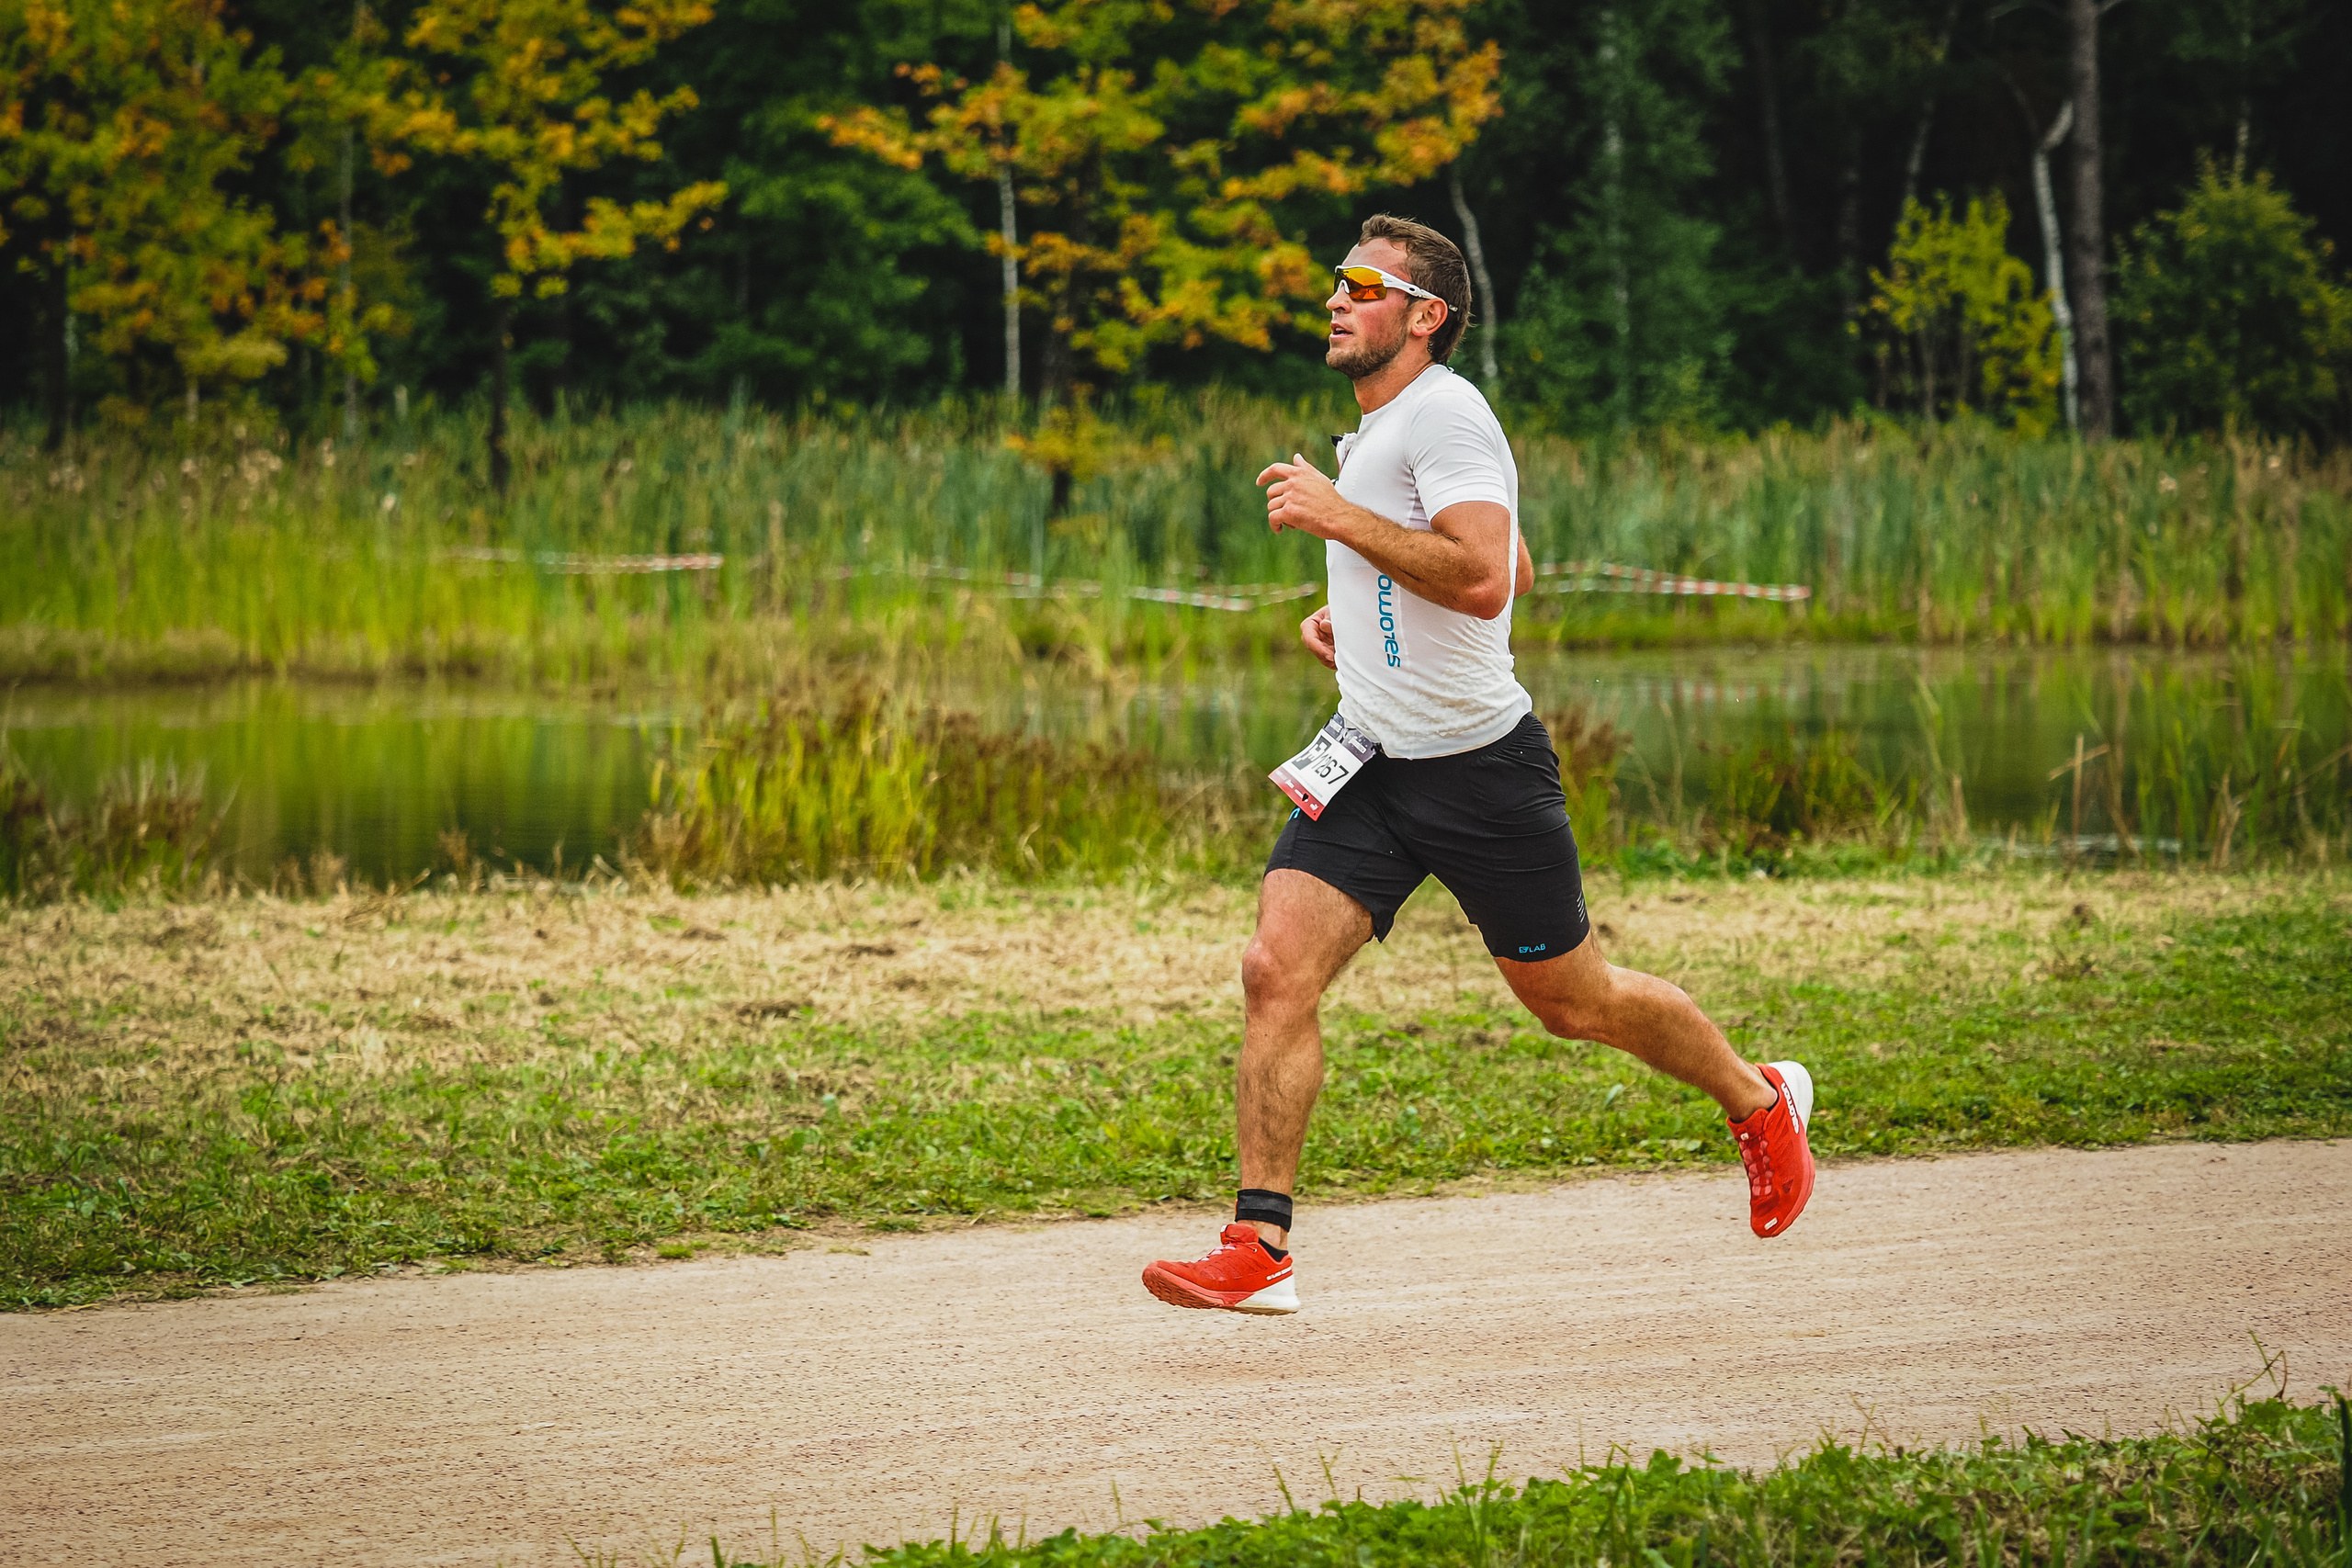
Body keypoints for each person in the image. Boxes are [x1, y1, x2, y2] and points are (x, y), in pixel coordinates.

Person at [1140, 214, 1816, 1317]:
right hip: (1373, 764)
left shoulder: (1446, 411)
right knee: (1274, 970)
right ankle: (1259, 1245)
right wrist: (1363, 615)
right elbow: (1512, 561)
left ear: (1426, 316)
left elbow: (1489, 580)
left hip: (1478, 770)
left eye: (1362, 286)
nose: (1335, 299)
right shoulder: (1384, 427)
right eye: (1337, 283)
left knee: (1575, 1002)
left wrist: (1340, 520)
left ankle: (1757, 1099)